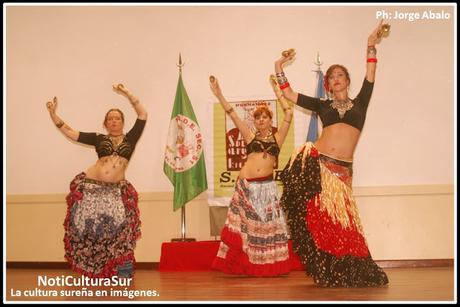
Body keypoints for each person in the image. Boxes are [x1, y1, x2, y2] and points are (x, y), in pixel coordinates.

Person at [275, 21, 389, 287]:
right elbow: (290, 94)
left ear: (347, 80)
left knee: (345, 226)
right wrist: (278, 67)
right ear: (328, 84)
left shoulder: (361, 101)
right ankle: (325, 269)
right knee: (319, 223)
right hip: (319, 166)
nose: (336, 79)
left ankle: (346, 270)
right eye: (332, 76)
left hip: (342, 172)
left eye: (340, 75)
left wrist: (371, 44)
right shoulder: (321, 104)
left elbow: (371, 73)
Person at [46, 83, 147, 278]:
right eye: (110, 119)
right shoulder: (98, 138)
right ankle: (93, 269)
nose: (114, 121)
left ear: (122, 122)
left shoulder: (131, 138)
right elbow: (70, 132)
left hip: (116, 191)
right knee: (90, 230)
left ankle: (122, 269)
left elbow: (142, 115)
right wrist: (53, 115)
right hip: (91, 190)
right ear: (105, 123)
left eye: (117, 118)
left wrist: (127, 93)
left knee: (121, 229)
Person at [209, 75, 293, 276]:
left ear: (270, 120)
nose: (261, 120)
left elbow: (289, 112)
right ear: (254, 121)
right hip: (246, 186)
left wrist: (277, 91)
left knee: (265, 229)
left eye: (265, 116)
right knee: (246, 230)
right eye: (257, 117)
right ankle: (245, 265)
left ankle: (264, 265)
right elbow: (232, 113)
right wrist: (219, 93)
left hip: (266, 188)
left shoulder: (278, 138)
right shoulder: (249, 135)